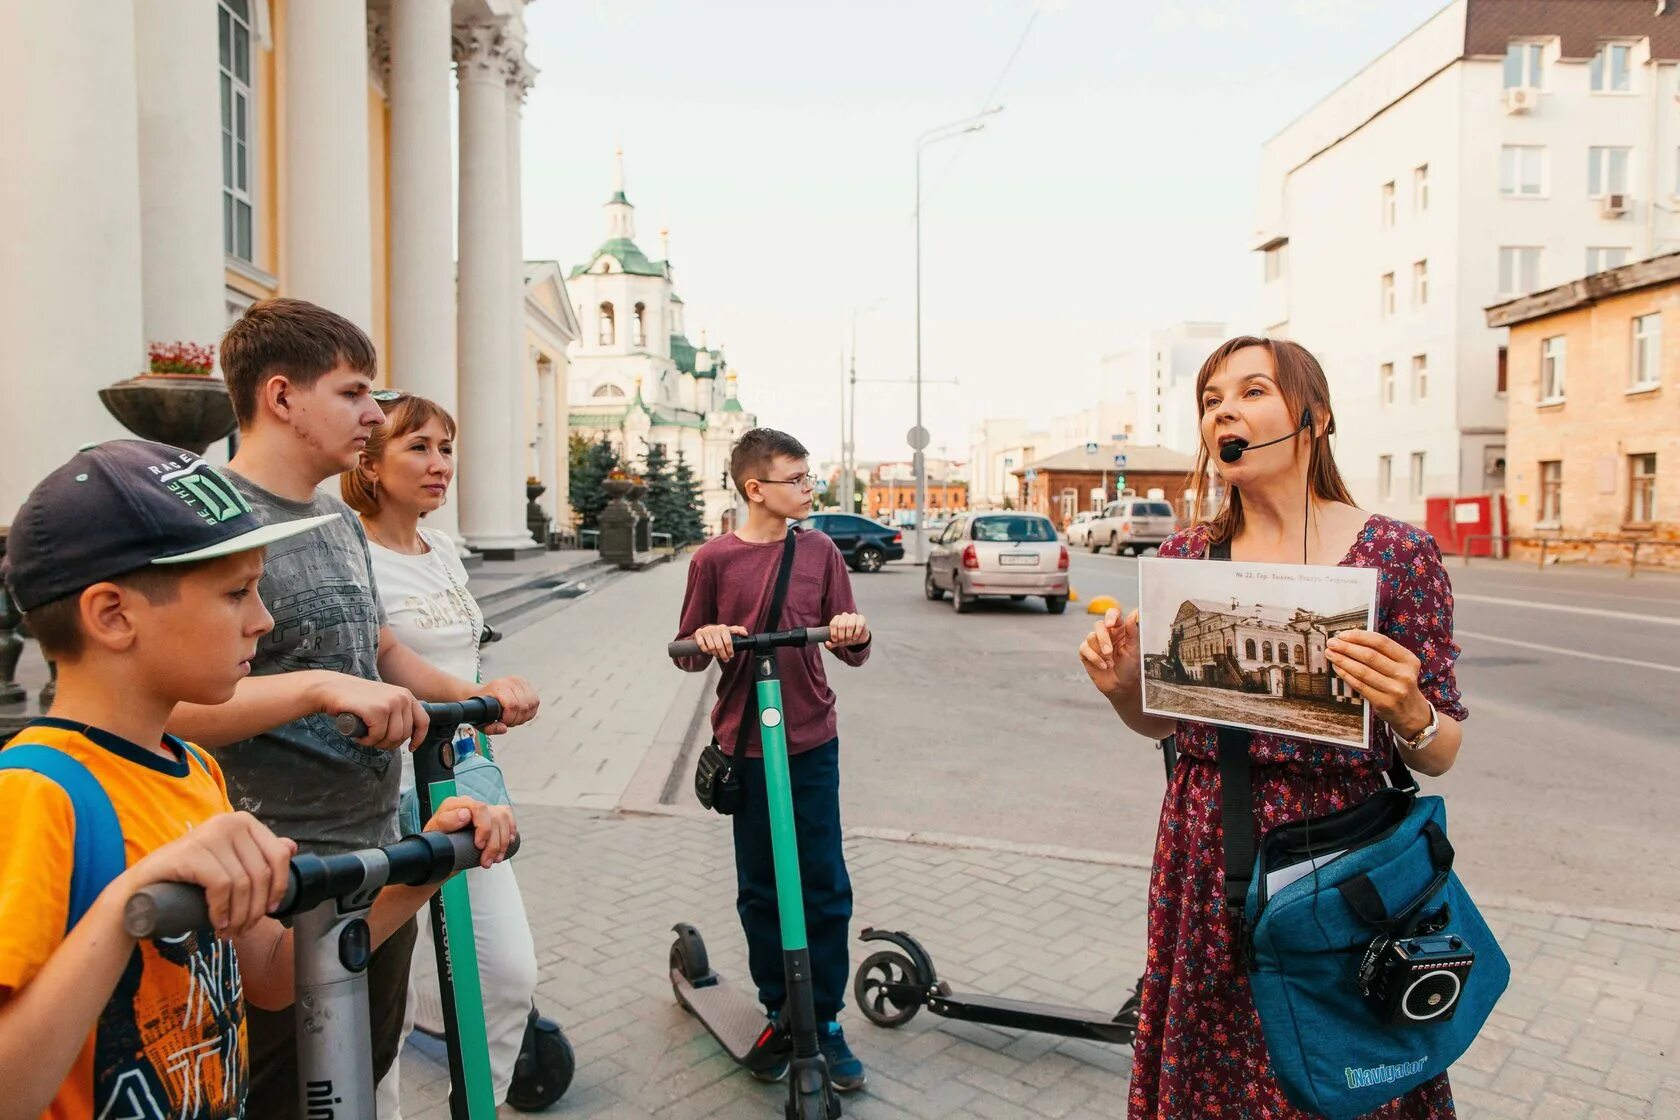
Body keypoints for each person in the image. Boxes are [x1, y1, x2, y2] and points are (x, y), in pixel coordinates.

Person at [0, 440, 516, 1120]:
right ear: (112, 615)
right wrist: (126, 905)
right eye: (237, 593)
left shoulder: (194, 772)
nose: (264, 619)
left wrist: (421, 867)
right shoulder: (37, 794)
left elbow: (271, 978)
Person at [163, 297, 540, 1119]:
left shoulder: (337, 517)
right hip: (268, 879)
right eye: (354, 392)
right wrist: (317, 689)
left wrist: (469, 702)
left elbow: (375, 651)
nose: (373, 414)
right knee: (279, 1097)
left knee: (365, 1079)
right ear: (281, 397)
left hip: (375, 862)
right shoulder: (208, 520)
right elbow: (174, 711)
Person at [1078, 336, 1467, 1120]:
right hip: (1210, 849)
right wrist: (1124, 690)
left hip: (1346, 857)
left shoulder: (1396, 554)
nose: (1226, 408)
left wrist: (1409, 711)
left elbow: (1443, 750)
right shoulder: (1191, 556)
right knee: (1217, 1071)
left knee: (1341, 1069)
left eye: (1252, 391)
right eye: (1212, 399)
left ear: (1313, 418)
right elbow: (1166, 723)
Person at [342, 390, 545, 1112]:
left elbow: (467, 661)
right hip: (389, 786)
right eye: (418, 447)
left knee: (509, 974)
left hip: (465, 779)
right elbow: (382, 656)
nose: (440, 465)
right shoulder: (351, 552)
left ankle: (477, 1103)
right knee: (383, 1000)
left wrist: (485, 702)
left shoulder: (445, 552)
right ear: (369, 461)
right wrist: (476, 697)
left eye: (447, 448)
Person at [672, 428, 872, 1091]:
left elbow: (852, 641)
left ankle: (827, 1021)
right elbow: (687, 649)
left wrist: (852, 629)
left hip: (810, 741)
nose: (810, 490)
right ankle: (780, 1013)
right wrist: (702, 637)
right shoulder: (714, 561)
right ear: (756, 488)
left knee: (824, 887)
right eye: (798, 479)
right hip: (746, 747)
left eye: (810, 478)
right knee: (762, 888)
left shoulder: (818, 551)